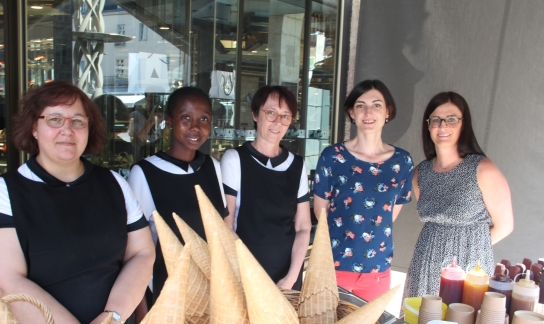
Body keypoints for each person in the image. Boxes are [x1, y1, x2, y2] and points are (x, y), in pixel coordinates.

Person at [0, 81, 155, 324]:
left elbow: (142, 253)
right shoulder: (6, 192)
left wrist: (112, 318)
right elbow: (5, 282)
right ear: (34, 127)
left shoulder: (114, 184)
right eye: (54, 119)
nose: (67, 130)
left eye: (78, 121)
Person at [403, 91, 513, 299]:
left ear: (464, 124)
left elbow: (505, 225)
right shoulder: (420, 172)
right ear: (428, 125)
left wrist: (471, 250)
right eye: (436, 119)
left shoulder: (483, 168)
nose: (442, 125)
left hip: (467, 268)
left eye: (451, 119)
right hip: (425, 262)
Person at [313, 79, 414, 301]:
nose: (368, 111)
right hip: (332, 268)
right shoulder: (332, 157)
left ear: (388, 111)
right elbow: (321, 213)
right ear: (351, 112)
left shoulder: (402, 162)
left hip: (377, 271)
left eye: (377, 105)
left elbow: (388, 216)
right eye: (360, 105)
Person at [128, 86, 226, 304]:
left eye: (203, 118)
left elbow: (221, 232)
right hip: (166, 293)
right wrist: (141, 309)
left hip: (212, 293)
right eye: (185, 117)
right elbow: (135, 250)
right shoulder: (145, 173)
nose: (195, 127)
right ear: (169, 122)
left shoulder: (212, 167)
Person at [221, 85, 311, 291]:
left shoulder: (297, 165)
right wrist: (253, 276)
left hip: (287, 279)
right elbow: (226, 225)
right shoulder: (235, 159)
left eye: (285, 116)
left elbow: (303, 227)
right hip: (244, 276)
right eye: (270, 113)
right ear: (255, 114)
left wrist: (291, 278)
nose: (277, 122)